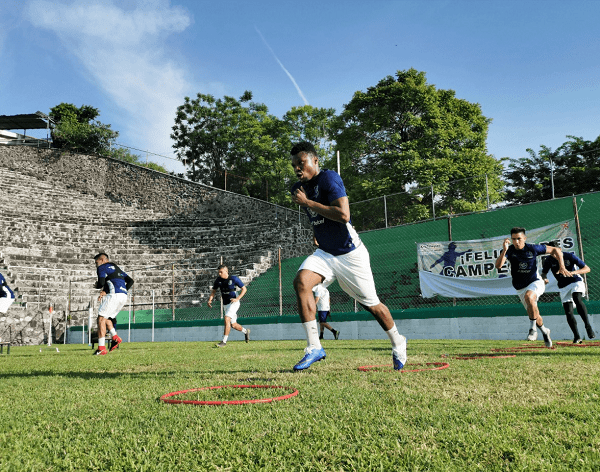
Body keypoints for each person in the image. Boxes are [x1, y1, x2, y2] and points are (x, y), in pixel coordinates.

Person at [290, 141, 407, 371]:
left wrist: (308, 203)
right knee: (301, 282)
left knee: (373, 306)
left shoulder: (329, 178)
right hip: (325, 253)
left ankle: (398, 342)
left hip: (350, 253)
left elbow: (343, 214)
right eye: (294, 165)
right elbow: (316, 217)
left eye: (301, 163)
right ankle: (314, 347)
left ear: (315, 160)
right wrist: (316, 233)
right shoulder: (298, 189)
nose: (297, 168)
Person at [494, 227, 570, 348]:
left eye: (519, 239)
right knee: (534, 312)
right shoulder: (510, 250)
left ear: (524, 238)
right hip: (520, 288)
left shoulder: (532, 248)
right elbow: (498, 266)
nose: (516, 242)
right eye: (513, 239)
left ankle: (532, 329)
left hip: (535, 282)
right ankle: (545, 331)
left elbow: (556, 250)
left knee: (529, 297)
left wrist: (562, 266)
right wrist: (504, 250)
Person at [541, 241, 594, 343]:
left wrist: (573, 272)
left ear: (560, 250)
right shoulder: (548, 260)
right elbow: (544, 273)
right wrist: (544, 278)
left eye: (556, 252)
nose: (554, 255)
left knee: (577, 298)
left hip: (575, 281)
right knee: (568, 311)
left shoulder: (569, 256)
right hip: (563, 286)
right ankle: (577, 336)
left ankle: (588, 326)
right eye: (552, 253)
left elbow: (587, 269)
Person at [93, 253, 133, 355]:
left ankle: (101, 348)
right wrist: (122, 291)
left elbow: (101, 283)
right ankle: (115, 337)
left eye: (96, 262)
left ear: (102, 260)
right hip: (123, 296)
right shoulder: (116, 267)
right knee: (106, 318)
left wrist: (97, 285)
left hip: (114, 296)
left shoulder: (102, 267)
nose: (95, 264)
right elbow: (130, 281)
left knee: (101, 319)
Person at [207, 265, 250, 347]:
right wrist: (210, 300)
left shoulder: (233, 278)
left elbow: (244, 289)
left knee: (227, 319)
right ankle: (245, 331)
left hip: (234, 303)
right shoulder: (218, 280)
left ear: (226, 271)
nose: (219, 274)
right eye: (218, 272)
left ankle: (224, 342)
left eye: (221, 272)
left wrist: (237, 298)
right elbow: (213, 291)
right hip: (225, 304)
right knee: (233, 325)